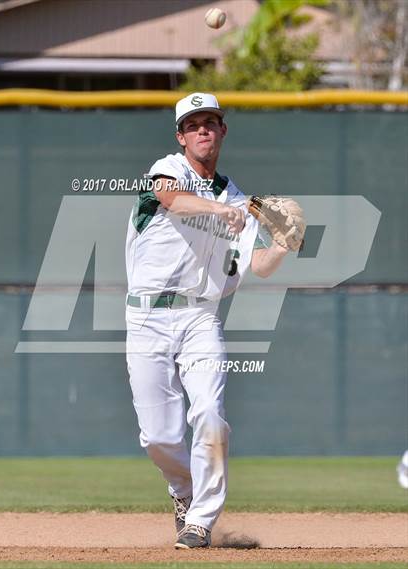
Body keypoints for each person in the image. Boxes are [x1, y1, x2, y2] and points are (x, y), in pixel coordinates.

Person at [125, 92, 289, 549]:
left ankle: (201, 520)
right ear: (180, 136)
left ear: (222, 131)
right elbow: (170, 199)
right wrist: (220, 211)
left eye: (210, 122)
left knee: (211, 417)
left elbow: (258, 266)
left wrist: (282, 246)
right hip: (147, 316)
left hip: (201, 316)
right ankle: (183, 491)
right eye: (193, 124)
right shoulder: (169, 169)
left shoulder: (240, 199)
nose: (202, 130)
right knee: (157, 437)